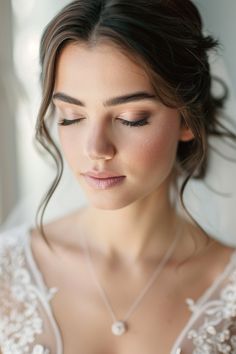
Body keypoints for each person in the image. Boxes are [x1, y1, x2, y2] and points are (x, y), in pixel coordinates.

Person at [1, 0, 236, 353]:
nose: (96, 148)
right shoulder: (7, 273)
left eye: (131, 118)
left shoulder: (228, 291)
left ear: (188, 119)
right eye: (71, 116)